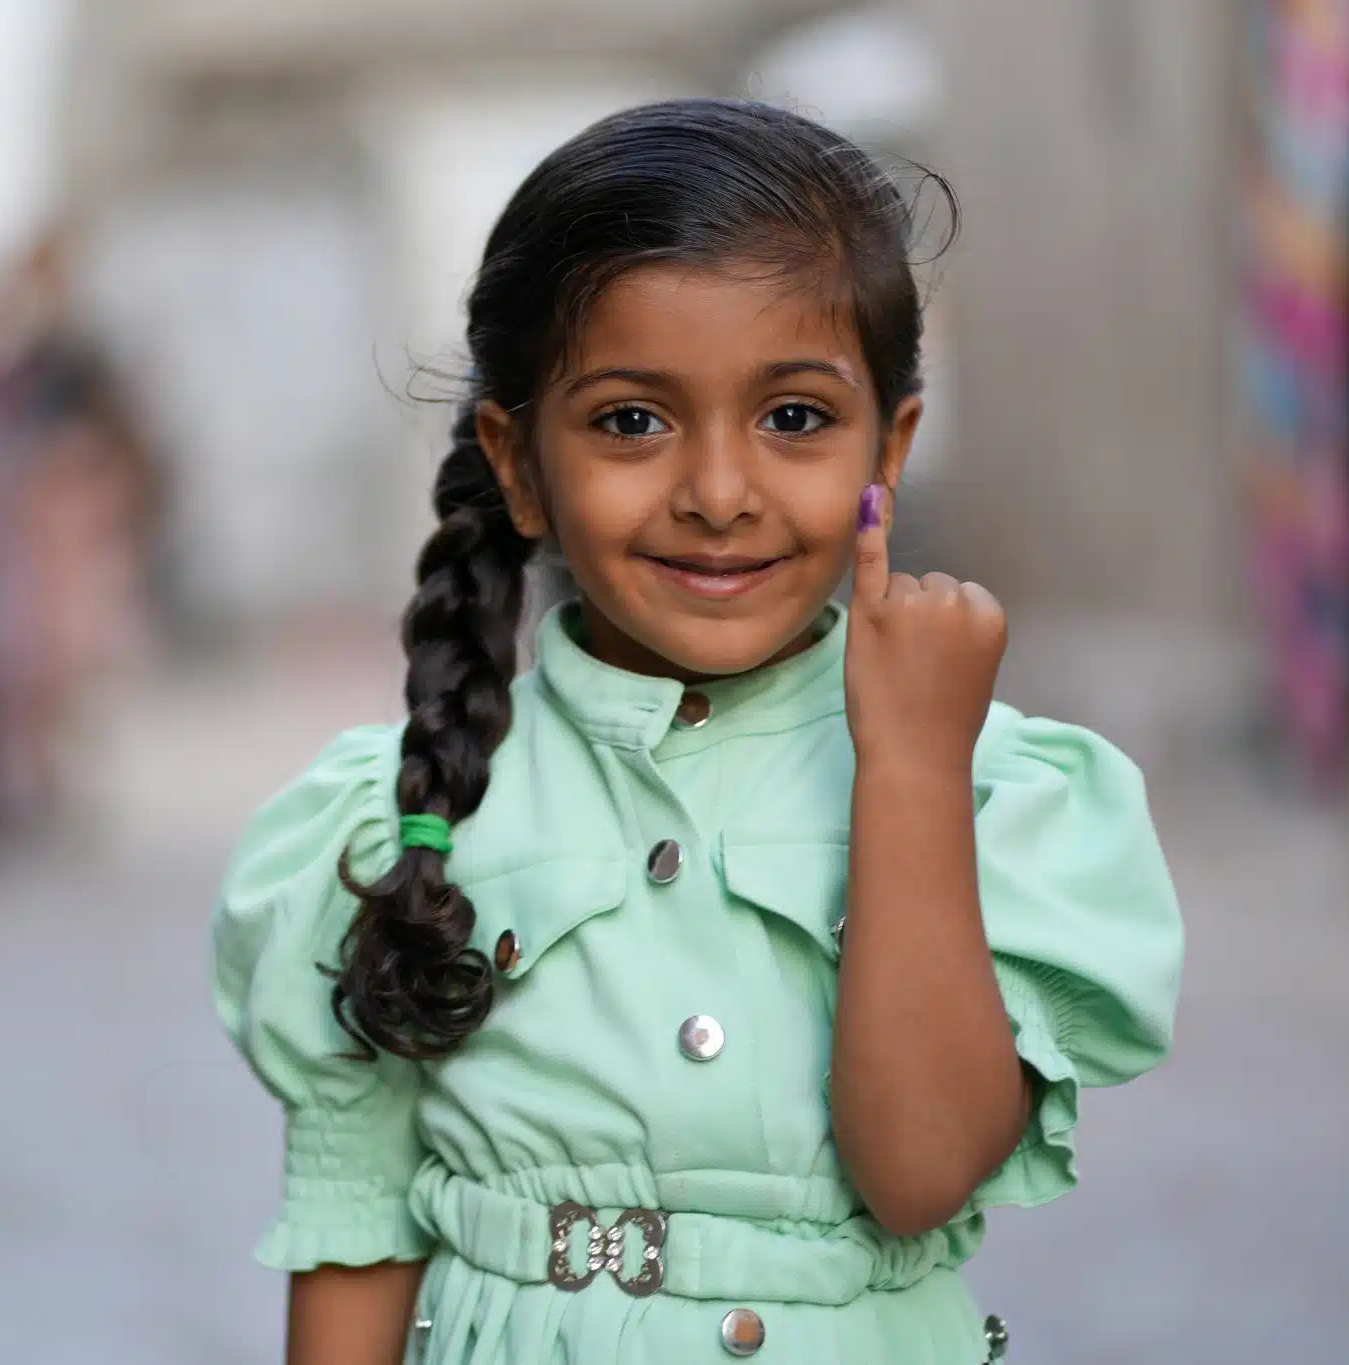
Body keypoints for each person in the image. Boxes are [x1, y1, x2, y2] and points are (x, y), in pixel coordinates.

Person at [211, 101, 1183, 1365]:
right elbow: (354, 1229)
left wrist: (908, 774)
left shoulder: (995, 792)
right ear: (516, 464)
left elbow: (920, 1172)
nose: (717, 495)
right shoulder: (399, 819)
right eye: (630, 419)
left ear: (888, 445)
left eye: (793, 418)